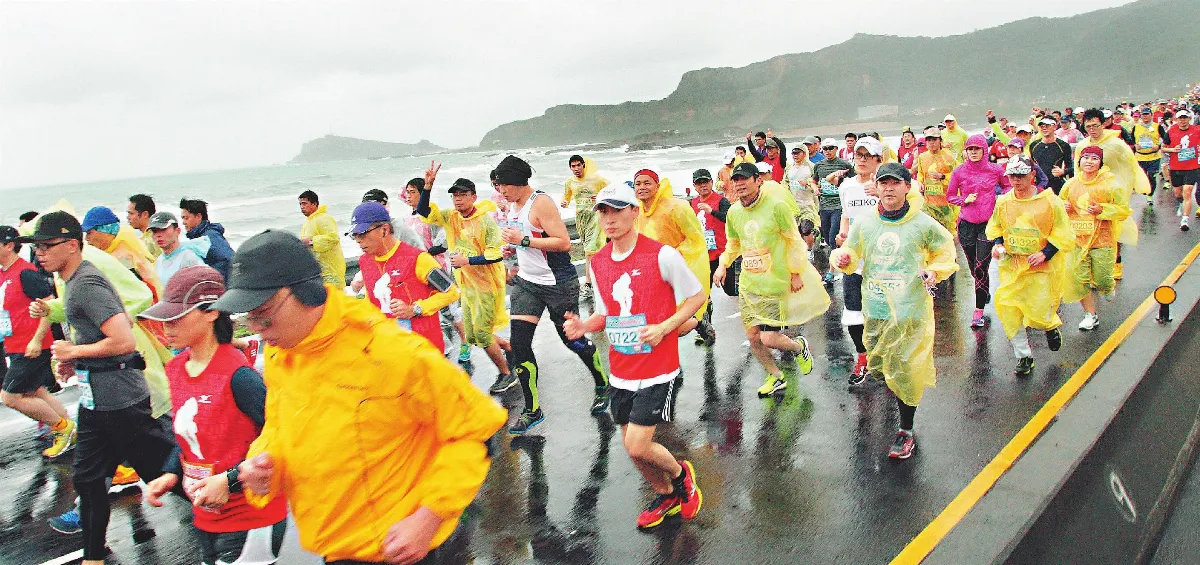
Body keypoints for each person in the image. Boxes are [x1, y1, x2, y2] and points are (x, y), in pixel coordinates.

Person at [215, 230, 506, 565]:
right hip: (335, 545)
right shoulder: (284, 355)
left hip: (399, 548)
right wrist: (264, 465)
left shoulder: (392, 353)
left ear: (308, 293)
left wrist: (429, 517)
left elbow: (475, 433)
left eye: (263, 313)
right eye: (247, 317)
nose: (256, 329)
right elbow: (280, 428)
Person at [21, 211, 177, 565]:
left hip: (121, 399)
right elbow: (96, 335)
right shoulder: (71, 281)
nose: (40, 254)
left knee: (163, 472)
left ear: (73, 245)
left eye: (47, 246)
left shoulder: (87, 283)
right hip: (96, 398)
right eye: (37, 247)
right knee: (88, 479)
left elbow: (122, 340)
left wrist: (74, 351)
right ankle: (93, 557)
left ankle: (222, 516)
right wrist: (76, 359)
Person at [563, 183, 705, 530]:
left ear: (634, 212)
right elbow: (606, 312)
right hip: (621, 369)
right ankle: (666, 494)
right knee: (631, 447)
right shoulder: (597, 263)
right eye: (603, 212)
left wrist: (665, 327)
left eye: (616, 210)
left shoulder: (662, 255)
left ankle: (680, 474)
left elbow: (696, 297)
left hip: (658, 368)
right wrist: (585, 326)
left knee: (638, 444)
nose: (609, 219)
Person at [139, 265, 289, 565]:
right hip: (205, 513)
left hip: (250, 515)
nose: (167, 326)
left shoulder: (238, 376)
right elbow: (189, 438)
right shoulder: (176, 370)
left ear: (211, 313)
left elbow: (283, 438)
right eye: (164, 316)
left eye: (177, 316)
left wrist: (230, 480)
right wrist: (170, 473)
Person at [831, 163, 958, 460]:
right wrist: (843, 257)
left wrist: (933, 272)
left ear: (906, 187)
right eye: (883, 183)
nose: (888, 188)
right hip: (875, 308)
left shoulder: (922, 223)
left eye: (895, 183)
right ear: (877, 187)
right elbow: (850, 254)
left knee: (906, 370)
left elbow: (945, 251)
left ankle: (906, 430)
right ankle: (896, 392)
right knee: (879, 367)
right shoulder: (865, 223)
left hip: (911, 311)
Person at [493, 155, 609, 435]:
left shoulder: (540, 202)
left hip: (557, 283)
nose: (500, 190)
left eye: (504, 184)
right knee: (519, 345)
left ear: (519, 182)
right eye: (498, 185)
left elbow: (563, 242)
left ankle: (602, 383)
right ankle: (533, 410)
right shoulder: (512, 205)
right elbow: (526, 242)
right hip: (527, 283)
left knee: (572, 340)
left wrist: (523, 241)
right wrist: (513, 250)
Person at [714, 162, 828, 397]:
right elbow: (734, 244)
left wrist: (795, 272)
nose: (740, 183)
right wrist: (723, 265)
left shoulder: (776, 207)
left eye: (745, 178)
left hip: (774, 282)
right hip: (749, 283)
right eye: (736, 180)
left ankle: (798, 347)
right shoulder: (734, 212)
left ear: (758, 181)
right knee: (753, 337)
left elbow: (794, 240)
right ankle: (775, 376)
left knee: (768, 337)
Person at [415, 170, 514, 394]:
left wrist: (466, 260)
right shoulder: (451, 217)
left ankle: (507, 374)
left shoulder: (485, 222)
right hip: (466, 286)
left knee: (482, 334)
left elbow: (495, 254)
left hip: (488, 286)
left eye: (463, 194)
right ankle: (509, 347)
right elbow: (423, 211)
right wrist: (428, 187)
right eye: (454, 195)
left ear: (473, 197)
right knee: (472, 335)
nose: (458, 199)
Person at [985, 156, 1074, 377]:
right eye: (1012, 176)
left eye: (1021, 175)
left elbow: (1064, 233)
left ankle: (1050, 326)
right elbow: (995, 227)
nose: (1016, 180)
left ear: (1032, 175)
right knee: (1009, 310)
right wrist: (998, 245)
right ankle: (1023, 356)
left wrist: (1045, 253)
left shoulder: (1050, 202)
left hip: (1041, 268)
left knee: (1040, 312)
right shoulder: (1004, 202)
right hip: (1012, 266)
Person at [0, 225, 75, 459]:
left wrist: (37, 339)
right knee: (34, 391)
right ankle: (72, 432)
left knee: (10, 397)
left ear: (9, 245)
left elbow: (48, 304)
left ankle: (63, 428)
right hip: (14, 343)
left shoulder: (26, 272)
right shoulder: (5, 273)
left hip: (32, 345)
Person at [351, 201, 460, 352]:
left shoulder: (417, 258)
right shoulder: (365, 261)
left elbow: (452, 292)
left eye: (362, 234)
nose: (358, 240)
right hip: (389, 347)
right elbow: (371, 300)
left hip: (422, 348)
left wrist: (415, 309)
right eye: (354, 235)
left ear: (384, 230)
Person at [631, 169, 716, 345]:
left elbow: (696, 239)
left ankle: (697, 322)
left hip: (677, 267)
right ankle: (696, 326)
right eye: (638, 184)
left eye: (647, 183)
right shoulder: (635, 212)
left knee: (670, 325)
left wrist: (671, 254)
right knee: (655, 321)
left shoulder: (676, 207)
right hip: (651, 274)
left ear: (657, 185)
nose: (642, 187)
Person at [831, 137, 885, 381]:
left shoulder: (888, 184)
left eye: (867, 156)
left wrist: (881, 194)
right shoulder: (847, 186)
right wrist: (843, 235)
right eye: (858, 155)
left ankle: (883, 359)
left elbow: (905, 213)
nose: (862, 160)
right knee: (853, 312)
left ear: (878, 160)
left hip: (884, 261)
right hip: (855, 260)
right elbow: (846, 214)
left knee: (882, 312)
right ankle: (862, 357)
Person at [1061, 146, 1131, 331]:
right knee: (1079, 280)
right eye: (1085, 158)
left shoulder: (1111, 185)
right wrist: (1064, 206)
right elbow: (1058, 206)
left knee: (1101, 280)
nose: (1089, 162)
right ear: (1079, 161)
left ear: (1100, 163)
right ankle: (1090, 315)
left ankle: (1108, 287)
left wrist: (1103, 210)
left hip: (1102, 240)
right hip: (1077, 239)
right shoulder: (1070, 184)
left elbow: (1123, 210)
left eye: (1094, 158)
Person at [947, 134, 1013, 328]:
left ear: (984, 150)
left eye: (977, 149)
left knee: (980, 267)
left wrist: (1001, 198)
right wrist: (963, 200)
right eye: (970, 149)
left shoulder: (995, 169)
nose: (974, 152)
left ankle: (978, 312)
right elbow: (950, 195)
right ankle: (983, 290)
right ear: (966, 151)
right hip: (966, 224)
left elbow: (1008, 186)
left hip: (988, 225)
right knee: (973, 267)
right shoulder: (959, 172)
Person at [401, 178, 470, 360]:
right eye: (407, 192)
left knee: (448, 310)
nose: (409, 196)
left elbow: (446, 238)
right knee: (426, 308)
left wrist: (428, 253)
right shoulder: (407, 219)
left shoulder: (431, 216)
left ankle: (464, 341)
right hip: (418, 270)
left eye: (413, 192)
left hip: (438, 267)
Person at [81, 206, 164, 299]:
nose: (86, 238)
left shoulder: (123, 256)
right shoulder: (115, 248)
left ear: (104, 230)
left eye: (89, 233)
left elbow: (134, 293)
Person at [689, 168, 732, 345]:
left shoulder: (721, 201)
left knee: (732, 290)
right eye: (699, 183)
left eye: (706, 181)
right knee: (702, 294)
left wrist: (711, 211)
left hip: (722, 255)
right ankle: (706, 329)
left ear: (711, 183)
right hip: (703, 256)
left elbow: (731, 218)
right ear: (694, 186)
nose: (703, 185)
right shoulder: (691, 203)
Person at [560, 155, 609, 300]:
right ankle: (603, 279)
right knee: (594, 251)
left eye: (578, 165)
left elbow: (613, 190)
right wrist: (564, 202)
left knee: (590, 251)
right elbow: (566, 197)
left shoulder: (597, 179)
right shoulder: (570, 182)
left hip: (595, 216)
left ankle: (588, 284)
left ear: (583, 165)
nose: (576, 169)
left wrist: (600, 196)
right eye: (573, 166)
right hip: (581, 219)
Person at [812, 140, 852, 284]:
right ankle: (840, 260)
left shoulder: (845, 164)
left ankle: (831, 273)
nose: (827, 151)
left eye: (830, 148)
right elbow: (814, 180)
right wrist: (815, 188)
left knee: (834, 237)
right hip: (824, 206)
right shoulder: (819, 165)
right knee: (828, 239)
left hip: (839, 206)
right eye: (825, 149)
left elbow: (853, 181)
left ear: (836, 148)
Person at [915, 127, 961, 242]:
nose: (931, 143)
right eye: (929, 140)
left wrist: (943, 177)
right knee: (930, 235)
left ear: (940, 141)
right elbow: (921, 173)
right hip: (929, 202)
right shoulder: (922, 157)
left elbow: (958, 176)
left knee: (948, 237)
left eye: (934, 140)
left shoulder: (949, 157)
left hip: (946, 204)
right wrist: (920, 182)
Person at [298, 190, 346, 287]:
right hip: (318, 272)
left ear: (314, 204)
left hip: (331, 272)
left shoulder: (324, 218)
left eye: (304, 203)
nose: (302, 207)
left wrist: (312, 242)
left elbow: (333, 238)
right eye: (300, 204)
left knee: (334, 299)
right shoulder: (308, 222)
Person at [179, 198, 234, 283]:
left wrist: (212, 281)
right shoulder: (199, 236)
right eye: (182, 218)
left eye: (186, 218)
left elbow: (228, 259)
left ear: (198, 217)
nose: (183, 222)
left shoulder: (210, 236)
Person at [148, 212, 207, 288]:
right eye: (154, 231)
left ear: (177, 231)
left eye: (163, 229)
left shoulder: (189, 258)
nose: (158, 235)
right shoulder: (159, 260)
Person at [1164, 110, 1200, 231]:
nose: (1183, 121)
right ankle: (1181, 203)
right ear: (1176, 120)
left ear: (1189, 119)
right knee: (1178, 193)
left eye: (1185, 118)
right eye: (1180, 118)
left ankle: (1185, 220)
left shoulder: (1196, 130)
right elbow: (1163, 148)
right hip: (1176, 168)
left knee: (1188, 191)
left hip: (1192, 167)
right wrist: (1173, 150)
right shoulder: (1171, 131)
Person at [1029, 117, 1075, 195]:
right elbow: (1032, 166)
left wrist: (1063, 171)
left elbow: (1070, 167)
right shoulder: (1034, 145)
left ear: (1055, 127)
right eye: (1042, 126)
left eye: (1047, 125)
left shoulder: (1063, 145)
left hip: (1056, 184)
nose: (1044, 128)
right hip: (1039, 185)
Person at [1130, 108, 1163, 205]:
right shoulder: (1136, 127)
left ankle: (1150, 195)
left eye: (1147, 114)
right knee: (1143, 177)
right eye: (1143, 114)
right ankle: (1145, 189)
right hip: (1140, 157)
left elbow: (1165, 139)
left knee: (1152, 177)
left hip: (1154, 157)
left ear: (1151, 115)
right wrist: (1135, 146)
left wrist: (1158, 146)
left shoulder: (1157, 127)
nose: (1145, 116)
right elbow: (1131, 140)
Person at [126, 194, 162, 259]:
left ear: (145, 214)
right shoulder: (150, 236)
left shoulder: (154, 238)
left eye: (131, 213)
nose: (128, 217)